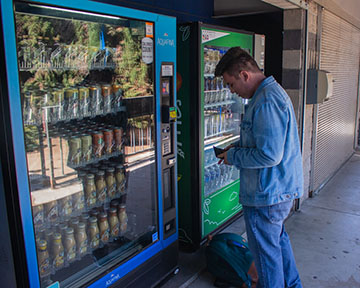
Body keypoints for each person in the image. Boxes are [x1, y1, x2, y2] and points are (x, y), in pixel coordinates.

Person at [215, 47, 303, 288]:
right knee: (278, 244)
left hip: (267, 195)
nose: (232, 91)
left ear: (244, 75)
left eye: (231, 84)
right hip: (275, 191)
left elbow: (269, 155)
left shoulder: (265, 101)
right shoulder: (270, 94)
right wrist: (238, 147)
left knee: (266, 258)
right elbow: (266, 144)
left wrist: (234, 156)